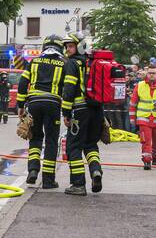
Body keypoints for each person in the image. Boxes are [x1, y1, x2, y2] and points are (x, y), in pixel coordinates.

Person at [16, 36, 65, 188]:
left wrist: (21, 105)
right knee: (51, 140)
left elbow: (23, 82)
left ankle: (32, 171)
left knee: (35, 138)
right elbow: (69, 86)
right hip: (53, 104)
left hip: (35, 103)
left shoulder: (34, 61)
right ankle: (48, 180)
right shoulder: (64, 63)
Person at [60, 33, 103, 196]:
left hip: (80, 110)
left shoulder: (72, 63)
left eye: (70, 46)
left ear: (78, 46)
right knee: (91, 145)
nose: (67, 49)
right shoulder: (92, 61)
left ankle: (78, 184)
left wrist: (66, 113)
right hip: (97, 109)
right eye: (66, 46)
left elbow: (69, 90)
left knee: (73, 147)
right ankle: (96, 172)